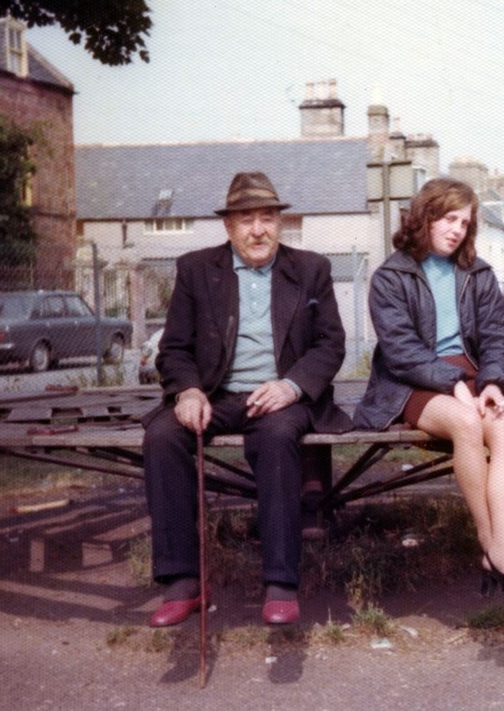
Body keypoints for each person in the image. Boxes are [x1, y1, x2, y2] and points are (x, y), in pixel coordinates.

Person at [141, 171, 352, 628]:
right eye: (247, 220)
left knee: (277, 437)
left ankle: (280, 583)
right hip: (215, 394)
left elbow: (330, 345)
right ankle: (182, 581)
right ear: (229, 227)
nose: (259, 230)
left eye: (268, 218)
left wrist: (291, 386)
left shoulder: (311, 268)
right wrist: (188, 390)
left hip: (281, 398)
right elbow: (174, 348)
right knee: (162, 436)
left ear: (281, 223)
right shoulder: (196, 270)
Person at [353, 178, 504, 598]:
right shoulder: (390, 276)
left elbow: (497, 339)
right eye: (448, 218)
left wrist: (491, 381)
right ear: (424, 217)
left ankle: (498, 550)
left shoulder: (479, 274)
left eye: (465, 222)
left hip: (472, 375)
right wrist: (453, 383)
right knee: (466, 423)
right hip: (409, 382)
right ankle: (495, 548)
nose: (456, 229)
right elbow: (401, 351)